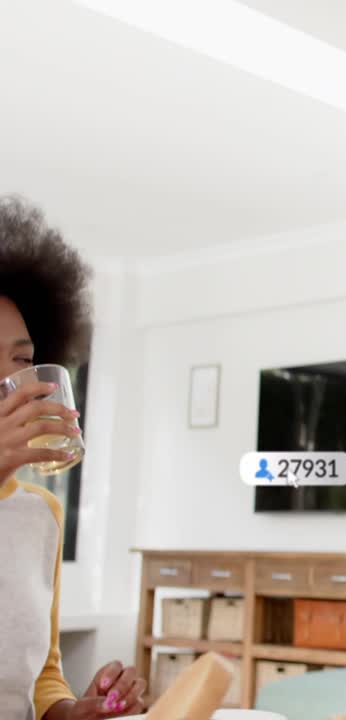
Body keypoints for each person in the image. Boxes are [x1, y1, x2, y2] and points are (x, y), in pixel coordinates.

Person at [1, 196, 148, 718]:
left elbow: (38, 679)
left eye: (21, 360)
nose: (12, 384)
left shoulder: (41, 513)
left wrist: (74, 709)